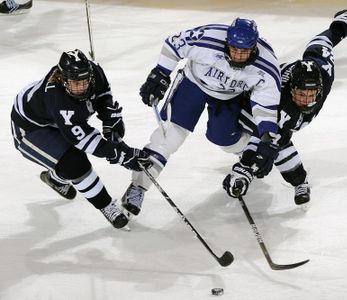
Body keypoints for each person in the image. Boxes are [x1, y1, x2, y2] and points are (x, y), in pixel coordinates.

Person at [121, 18, 282, 216]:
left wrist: (265, 139)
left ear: (254, 47)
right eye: (234, 49)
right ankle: (138, 187)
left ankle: (245, 153)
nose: (239, 55)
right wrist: (160, 73)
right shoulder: (208, 37)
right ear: (226, 43)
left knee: (224, 139)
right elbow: (174, 43)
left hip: (228, 97)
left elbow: (265, 105)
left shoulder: (267, 65)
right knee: (170, 135)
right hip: (193, 83)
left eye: (245, 51)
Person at [222, 9, 347, 208]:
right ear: (292, 89)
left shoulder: (324, 71)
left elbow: (322, 42)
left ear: (319, 89)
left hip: (285, 114)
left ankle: (297, 180)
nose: (305, 100)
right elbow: (268, 140)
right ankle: (299, 181)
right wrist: (245, 171)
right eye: (301, 94)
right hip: (253, 104)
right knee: (272, 139)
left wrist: (343, 23)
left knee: (276, 140)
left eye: (311, 95)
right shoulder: (279, 99)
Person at [10, 49, 152, 228]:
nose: (81, 87)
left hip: (54, 118)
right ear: (62, 79)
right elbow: (85, 140)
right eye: (75, 83)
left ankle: (55, 178)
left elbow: (103, 95)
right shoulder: (57, 98)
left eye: (84, 81)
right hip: (30, 128)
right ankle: (107, 206)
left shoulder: (95, 71)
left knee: (69, 164)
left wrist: (109, 117)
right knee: (75, 165)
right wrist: (122, 154)